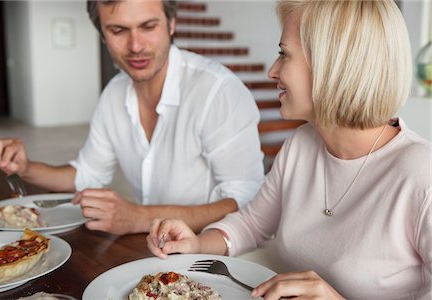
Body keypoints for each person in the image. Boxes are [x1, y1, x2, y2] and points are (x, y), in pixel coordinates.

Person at [147, 0, 432, 299]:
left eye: (284, 54)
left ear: (332, 64)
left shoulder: (421, 175)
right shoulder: (300, 145)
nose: (272, 70)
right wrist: (197, 244)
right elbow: (252, 223)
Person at [0, 0, 264, 235]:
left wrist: (139, 217)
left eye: (148, 26)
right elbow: (88, 173)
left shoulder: (218, 91)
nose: (136, 46)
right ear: (103, 35)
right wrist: (26, 167)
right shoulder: (114, 94)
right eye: (118, 30)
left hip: (215, 255)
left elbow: (247, 201)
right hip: (151, 250)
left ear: (171, 23)